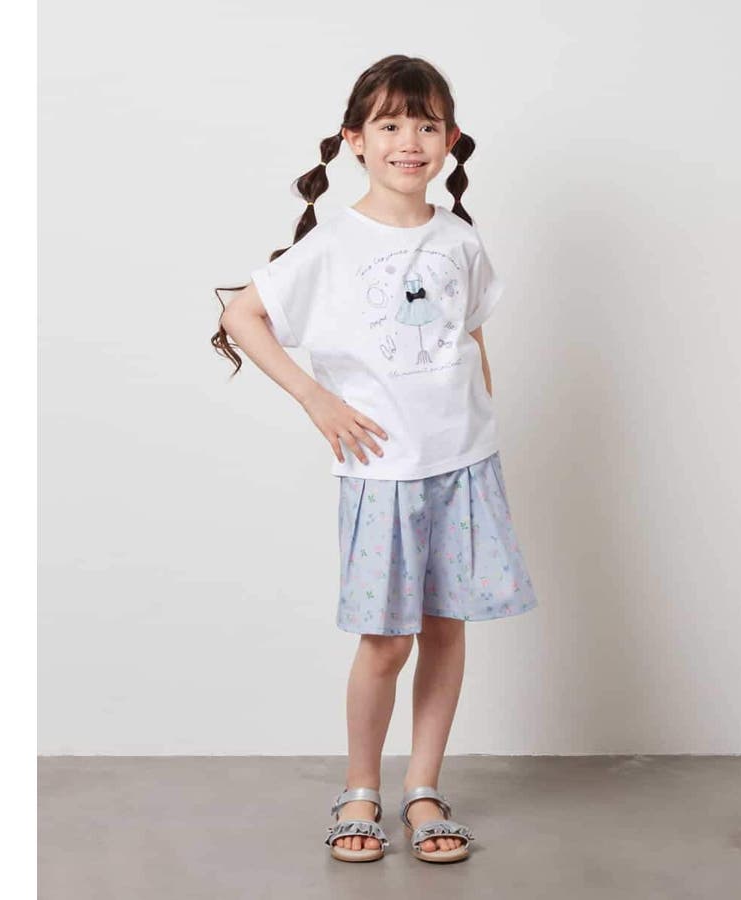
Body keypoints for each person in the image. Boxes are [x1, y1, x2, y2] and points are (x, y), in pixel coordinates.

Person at [212, 54, 538, 864]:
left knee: (445, 629)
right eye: (390, 124)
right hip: (383, 474)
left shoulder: (460, 239)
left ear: (451, 139)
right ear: (355, 140)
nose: (409, 141)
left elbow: (471, 332)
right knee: (387, 641)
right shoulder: (332, 244)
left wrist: (479, 418)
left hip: (464, 465)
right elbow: (242, 315)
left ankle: (424, 787)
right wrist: (316, 400)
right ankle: (360, 787)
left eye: (427, 125)